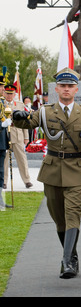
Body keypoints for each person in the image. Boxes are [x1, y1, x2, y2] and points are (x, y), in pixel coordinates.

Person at [12, 68, 81, 278]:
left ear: (76, 89)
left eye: (70, 86)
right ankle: (72, 254)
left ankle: (67, 261)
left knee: (73, 215)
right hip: (52, 171)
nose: (66, 89)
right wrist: (18, 117)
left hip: (77, 172)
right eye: (62, 86)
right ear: (57, 88)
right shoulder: (45, 111)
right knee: (59, 219)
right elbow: (28, 121)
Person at [3, 84, 32, 189]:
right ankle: (4, 181)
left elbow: (24, 122)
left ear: (15, 94)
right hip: (4, 135)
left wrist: (26, 137)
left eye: (11, 94)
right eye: (7, 93)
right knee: (4, 160)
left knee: (22, 159)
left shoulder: (19, 105)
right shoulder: (1, 103)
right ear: (4, 93)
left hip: (18, 135)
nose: (9, 96)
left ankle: (27, 180)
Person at [0, 76, 12, 209]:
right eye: (1, 86)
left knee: (0, 172)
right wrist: (1, 124)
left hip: (2, 142)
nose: (3, 89)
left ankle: (0, 201)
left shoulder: (2, 102)